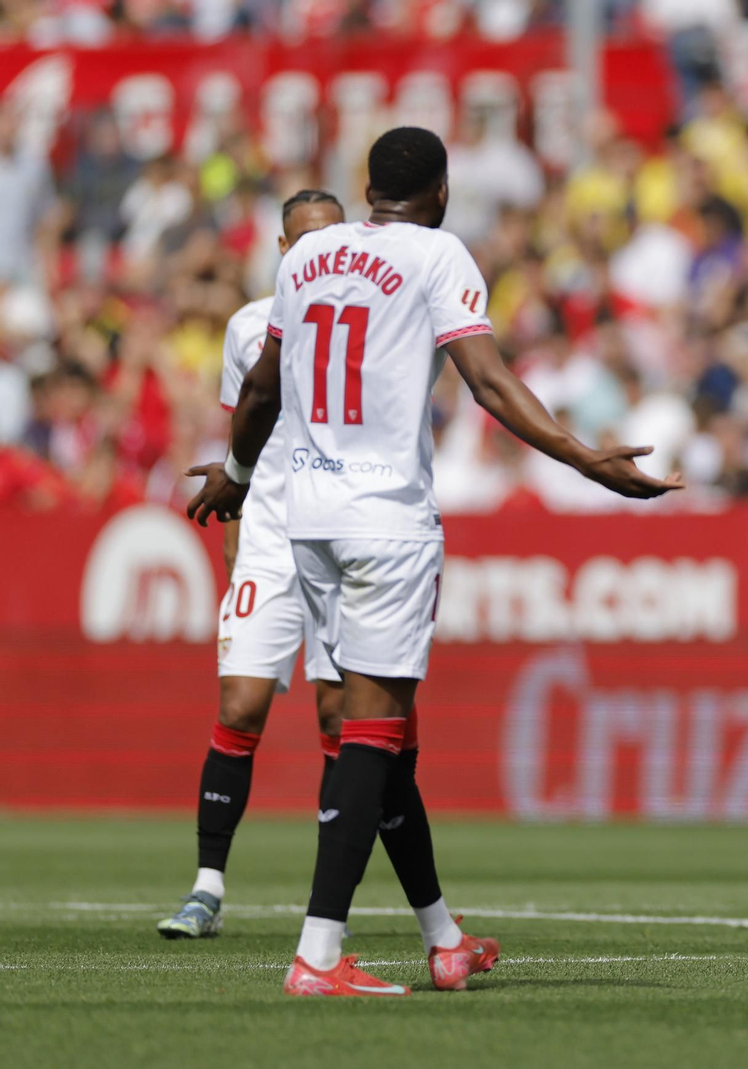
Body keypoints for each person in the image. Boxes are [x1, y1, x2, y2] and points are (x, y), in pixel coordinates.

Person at [186, 127, 683, 997]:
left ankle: (444, 938)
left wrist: (232, 475)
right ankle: (319, 953)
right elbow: (489, 383)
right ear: (442, 190)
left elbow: (263, 387)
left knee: (380, 731)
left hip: (306, 517)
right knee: (371, 733)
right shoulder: (440, 252)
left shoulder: (308, 258)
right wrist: (586, 461)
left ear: (366, 186)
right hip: (385, 519)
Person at [158, 190, 346, 940]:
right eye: (302, 242)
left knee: (342, 719)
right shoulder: (247, 327)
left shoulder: (367, 323)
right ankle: (206, 887)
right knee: (239, 706)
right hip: (269, 537)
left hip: (340, 540)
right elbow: (246, 437)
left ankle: (329, 901)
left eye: (329, 240)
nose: (316, 254)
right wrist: (235, 549)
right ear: (280, 248)